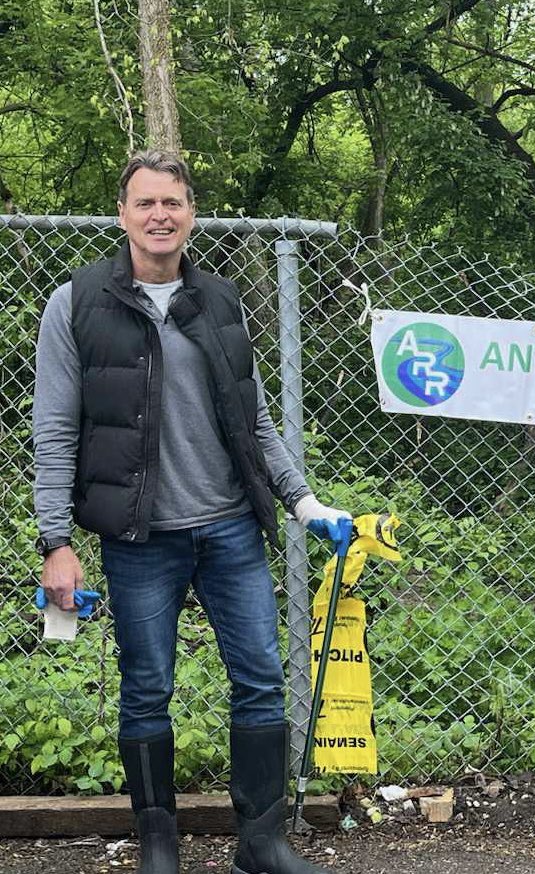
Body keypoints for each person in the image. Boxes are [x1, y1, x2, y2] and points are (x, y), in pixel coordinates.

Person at [33, 150, 350, 874]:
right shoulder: (76, 304)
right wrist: (56, 539)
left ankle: (261, 842)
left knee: (261, 679)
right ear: (122, 215)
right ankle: (158, 844)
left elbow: (255, 420)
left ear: (190, 214)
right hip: (141, 538)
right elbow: (52, 432)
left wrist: (304, 504)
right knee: (148, 689)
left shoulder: (222, 301)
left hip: (231, 528)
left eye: (172, 203)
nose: (159, 216)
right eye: (144, 203)